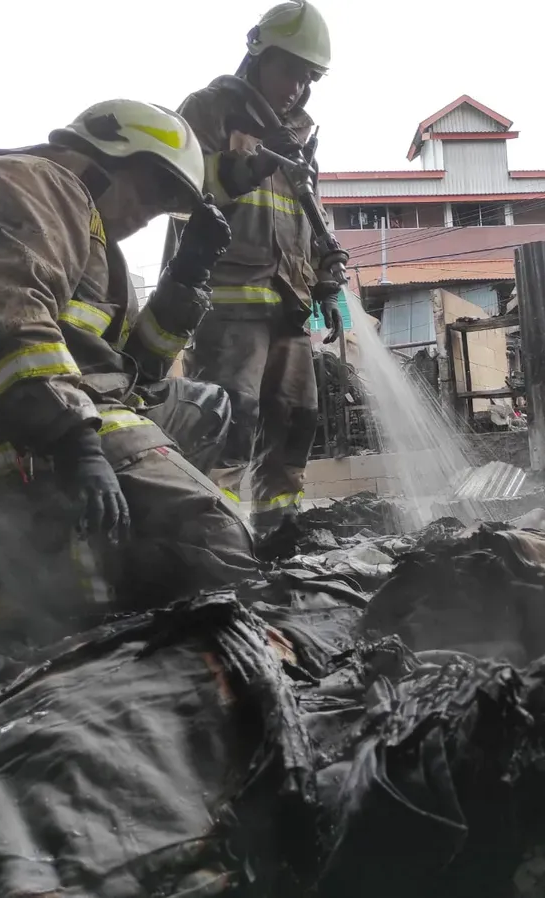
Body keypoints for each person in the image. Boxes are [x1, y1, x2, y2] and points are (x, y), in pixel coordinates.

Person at [0, 99, 258, 623]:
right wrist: (78, 446)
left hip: (63, 412)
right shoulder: (39, 183)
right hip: (19, 436)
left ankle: (117, 540)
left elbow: (130, 370)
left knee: (205, 405)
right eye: (152, 192)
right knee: (218, 545)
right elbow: (0, 317)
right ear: (106, 153)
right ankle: (71, 567)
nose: (146, 216)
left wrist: (187, 277)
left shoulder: (90, 238)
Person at [178, 0, 350, 535]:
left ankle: (280, 533)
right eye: (289, 71)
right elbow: (185, 190)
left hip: (289, 301)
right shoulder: (210, 111)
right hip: (229, 299)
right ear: (258, 54)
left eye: (307, 78)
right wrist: (254, 164)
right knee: (231, 420)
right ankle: (219, 538)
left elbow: (310, 212)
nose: (296, 88)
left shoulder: (299, 134)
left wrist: (327, 276)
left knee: (297, 419)